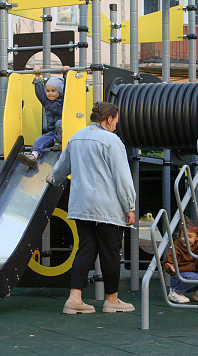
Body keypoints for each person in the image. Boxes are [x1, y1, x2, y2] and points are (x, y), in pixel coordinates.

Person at [46, 101, 136, 314]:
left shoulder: (76, 137)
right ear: (109, 119)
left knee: (85, 249)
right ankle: (112, 299)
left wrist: (53, 179)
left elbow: (61, 168)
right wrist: (129, 206)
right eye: (115, 121)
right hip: (107, 207)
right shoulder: (112, 141)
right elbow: (122, 177)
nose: (116, 125)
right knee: (110, 252)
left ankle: (74, 298)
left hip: (80, 205)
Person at [18, 66, 69, 168]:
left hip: (64, 132)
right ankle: (33, 157)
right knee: (39, 140)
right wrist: (37, 77)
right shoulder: (46, 102)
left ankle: (59, 143)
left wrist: (66, 74)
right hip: (53, 134)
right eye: (48, 90)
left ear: (60, 92)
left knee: (60, 122)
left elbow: (67, 89)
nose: (50, 93)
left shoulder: (64, 101)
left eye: (53, 91)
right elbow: (39, 92)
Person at [163, 216, 198, 304]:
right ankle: (175, 293)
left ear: (197, 237)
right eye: (183, 236)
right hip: (180, 278)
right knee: (194, 276)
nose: (186, 239)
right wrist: (170, 268)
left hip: (195, 278)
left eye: (190, 236)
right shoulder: (176, 247)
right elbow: (168, 262)